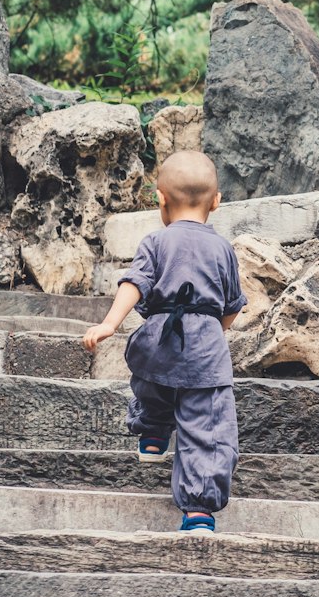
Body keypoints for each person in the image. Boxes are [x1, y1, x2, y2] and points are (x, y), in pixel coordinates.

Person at [82, 149, 245, 534]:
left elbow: (133, 283)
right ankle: (199, 512)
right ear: (217, 202)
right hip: (205, 346)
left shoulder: (155, 241)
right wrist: (212, 330)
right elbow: (233, 304)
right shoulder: (223, 249)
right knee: (206, 423)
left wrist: (109, 324)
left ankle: (153, 431)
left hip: (158, 338)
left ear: (160, 198)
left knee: (151, 382)